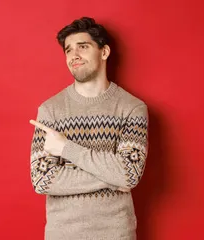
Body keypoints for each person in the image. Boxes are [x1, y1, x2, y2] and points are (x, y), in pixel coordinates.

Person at [28, 16, 149, 240]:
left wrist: (66, 148)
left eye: (83, 47)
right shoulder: (50, 110)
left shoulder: (132, 108)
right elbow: (42, 179)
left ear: (104, 52)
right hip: (62, 234)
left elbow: (129, 174)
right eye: (68, 50)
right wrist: (114, 177)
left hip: (116, 234)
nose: (74, 55)